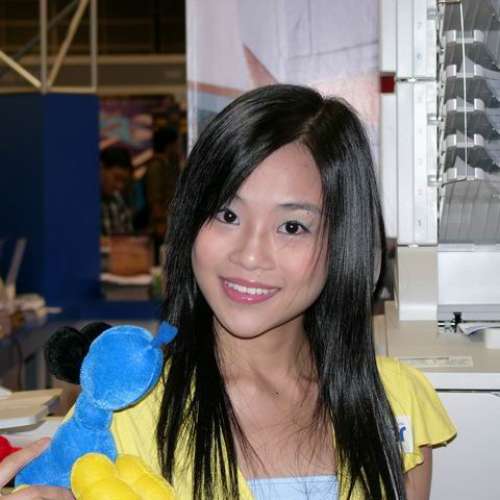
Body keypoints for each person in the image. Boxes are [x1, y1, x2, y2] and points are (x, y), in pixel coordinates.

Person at [4, 84, 455, 499]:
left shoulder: (394, 399)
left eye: (292, 226)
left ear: (343, 241)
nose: (251, 255)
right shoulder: (121, 407)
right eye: (227, 215)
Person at [145, 126, 181, 260]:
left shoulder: (168, 165)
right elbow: (154, 197)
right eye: (176, 144)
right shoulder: (156, 166)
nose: (178, 148)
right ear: (169, 145)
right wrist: (160, 223)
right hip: (160, 226)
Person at [100, 146, 134, 236]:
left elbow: (128, 235)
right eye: (116, 178)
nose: (120, 186)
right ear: (101, 168)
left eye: (124, 181)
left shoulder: (118, 200)